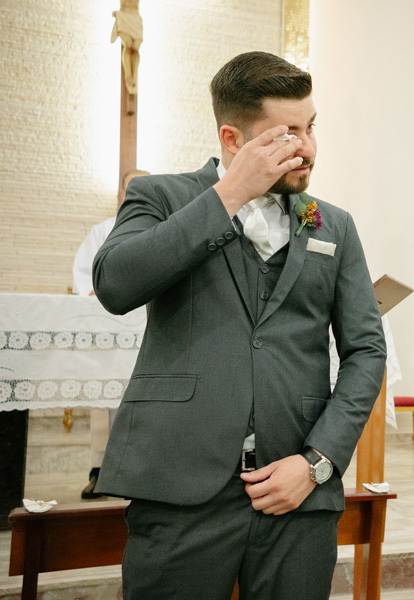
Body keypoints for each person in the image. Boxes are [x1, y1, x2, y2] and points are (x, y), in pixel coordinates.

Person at [93, 51, 386, 599]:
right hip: (181, 487)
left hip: (296, 492)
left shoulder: (332, 225)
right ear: (233, 139)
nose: (308, 147)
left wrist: (317, 462)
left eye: (311, 128)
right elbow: (115, 285)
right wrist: (230, 195)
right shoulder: (161, 197)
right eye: (287, 134)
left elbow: (367, 351)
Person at [72, 168, 148, 500]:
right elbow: (84, 278)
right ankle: (99, 471)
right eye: (131, 190)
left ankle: (144, 469)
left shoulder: (160, 229)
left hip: (147, 332)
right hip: (108, 332)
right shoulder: (101, 232)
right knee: (104, 397)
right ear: (120, 195)